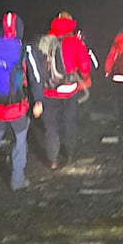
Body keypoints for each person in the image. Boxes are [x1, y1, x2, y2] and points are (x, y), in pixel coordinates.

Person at [0, 11, 44, 193]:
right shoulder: (25, 48)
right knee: (20, 142)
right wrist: (38, 101)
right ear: (20, 28)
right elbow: (36, 76)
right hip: (17, 107)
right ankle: (17, 180)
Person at [38, 12, 93, 170]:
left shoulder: (44, 41)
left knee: (51, 127)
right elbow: (85, 66)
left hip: (48, 90)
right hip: (69, 90)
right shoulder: (74, 42)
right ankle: (69, 156)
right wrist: (82, 77)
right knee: (69, 123)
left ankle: (53, 160)